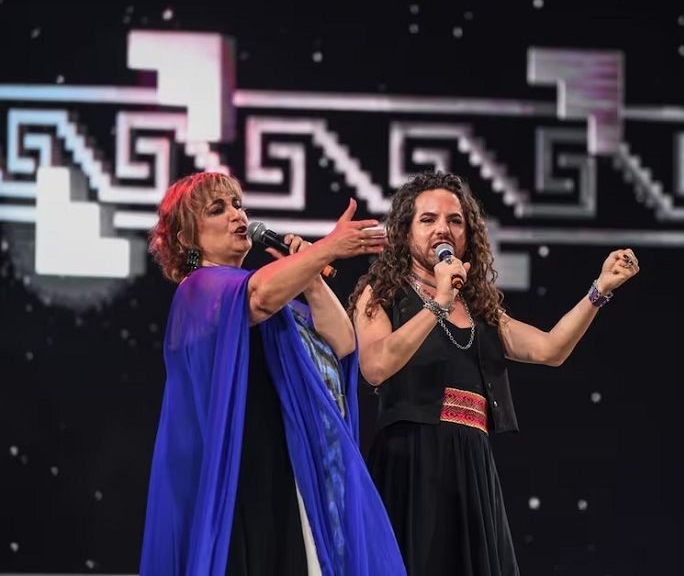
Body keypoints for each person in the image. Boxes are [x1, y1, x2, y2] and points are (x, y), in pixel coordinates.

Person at [347, 170, 640, 576]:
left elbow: (550, 349)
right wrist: (438, 304)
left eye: (454, 220)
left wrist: (600, 289)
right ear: (405, 231)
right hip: (412, 461)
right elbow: (376, 366)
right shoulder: (381, 294)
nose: (442, 229)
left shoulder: (480, 308)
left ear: (468, 234)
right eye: (428, 219)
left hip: (471, 464)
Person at [139, 171, 407, 576]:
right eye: (217, 209)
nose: (237, 215)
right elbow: (259, 296)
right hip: (230, 473)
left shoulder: (269, 305)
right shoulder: (198, 290)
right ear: (186, 238)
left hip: (276, 468)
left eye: (238, 205)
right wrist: (327, 248)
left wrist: (312, 279)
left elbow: (341, 343)